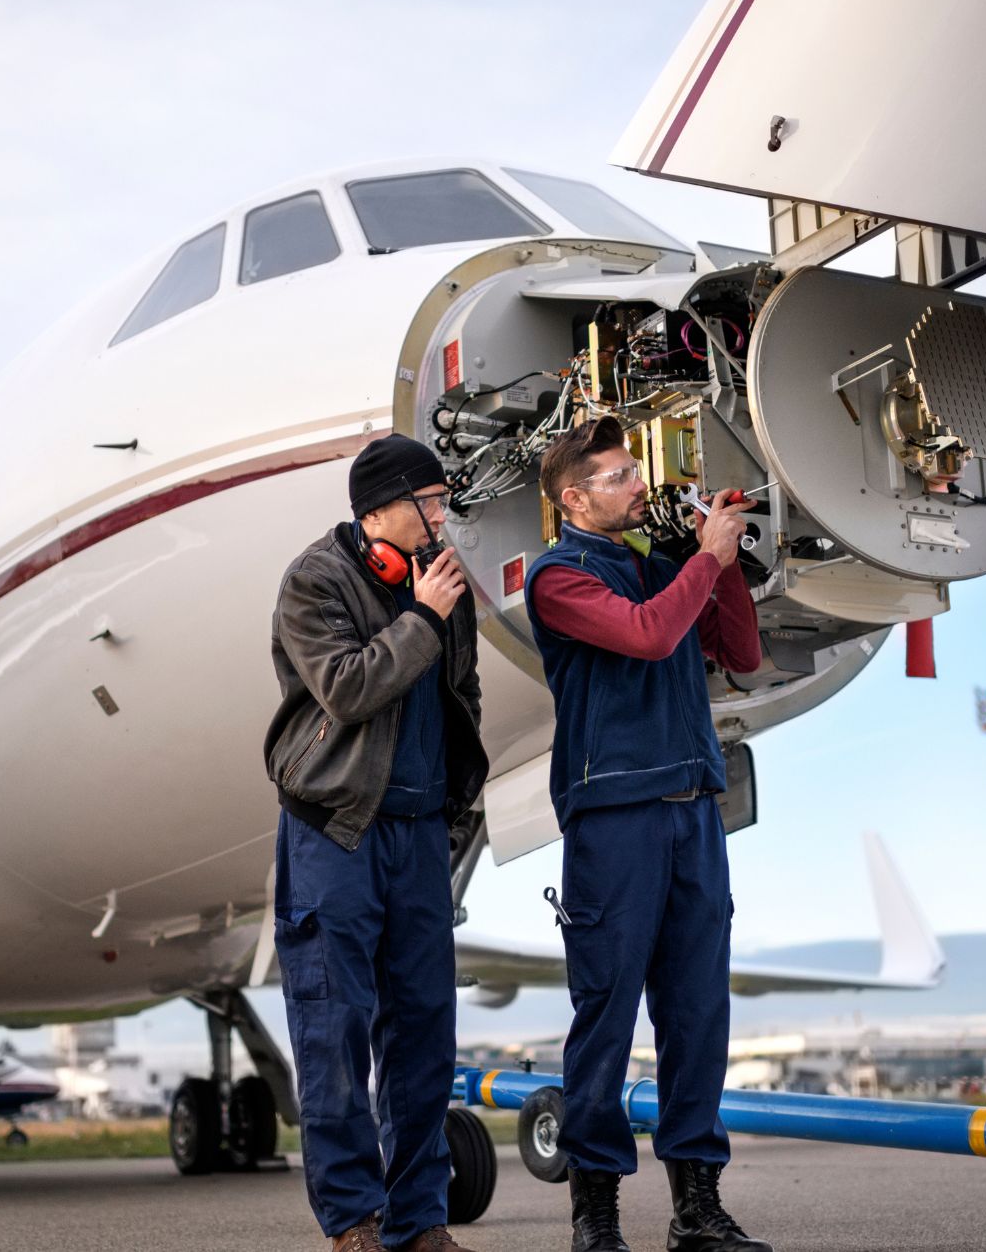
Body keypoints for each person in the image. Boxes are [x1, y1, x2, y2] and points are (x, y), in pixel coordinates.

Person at [522, 415, 769, 1252]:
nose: (639, 483)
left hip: (695, 810)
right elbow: (649, 634)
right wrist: (705, 560)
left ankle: (698, 1207)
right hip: (615, 818)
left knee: (699, 1017)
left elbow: (741, 650)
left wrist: (718, 561)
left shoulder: (661, 569)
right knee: (608, 1016)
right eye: (621, 475)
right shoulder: (559, 576)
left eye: (634, 470)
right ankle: (597, 1216)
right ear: (574, 499)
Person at [264, 433, 488, 1252]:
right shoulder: (314, 581)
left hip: (421, 834)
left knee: (425, 1034)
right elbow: (348, 688)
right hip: (337, 830)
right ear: (379, 510)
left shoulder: (444, 585)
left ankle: (420, 1221)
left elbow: (461, 695)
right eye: (427, 505)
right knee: (334, 1032)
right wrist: (424, 615)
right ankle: (352, 1223)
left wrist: (457, 808)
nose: (440, 517)